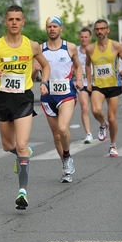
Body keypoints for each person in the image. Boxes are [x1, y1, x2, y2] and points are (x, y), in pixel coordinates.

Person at [0, 5, 50, 210]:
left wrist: (43, 82)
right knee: (9, 146)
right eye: (11, 19)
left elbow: (45, 66)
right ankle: (22, 153)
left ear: (23, 22)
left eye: (18, 19)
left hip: (23, 98)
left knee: (22, 144)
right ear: (6, 22)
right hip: (2, 98)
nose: (14, 22)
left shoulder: (32, 46)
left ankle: (22, 192)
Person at [40, 16, 84, 183]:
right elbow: (32, 74)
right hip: (47, 96)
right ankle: (65, 164)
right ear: (46, 29)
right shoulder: (40, 49)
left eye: (55, 26)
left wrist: (79, 79)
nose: (52, 29)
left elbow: (78, 66)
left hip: (66, 94)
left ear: (60, 29)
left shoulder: (70, 47)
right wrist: (36, 70)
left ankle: (67, 155)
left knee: (62, 128)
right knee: (57, 135)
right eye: (49, 26)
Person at [85, 20, 122, 158]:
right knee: (95, 110)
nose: (100, 31)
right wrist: (88, 81)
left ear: (108, 30)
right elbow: (87, 65)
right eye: (97, 29)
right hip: (98, 85)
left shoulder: (116, 46)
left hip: (113, 85)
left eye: (102, 29)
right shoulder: (90, 48)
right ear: (94, 31)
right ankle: (102, 123)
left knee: (112, 118)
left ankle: (113, 145)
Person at [77, 28, 94, 144]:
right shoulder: (76, 51)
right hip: (82, 83)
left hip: (96, 83)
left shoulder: (95, 49)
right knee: (84, 107)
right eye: (82, 37)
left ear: (90, 38)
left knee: (96, 110)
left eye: (86, 37)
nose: (84, 39)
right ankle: (88, 133)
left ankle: (103, 123)